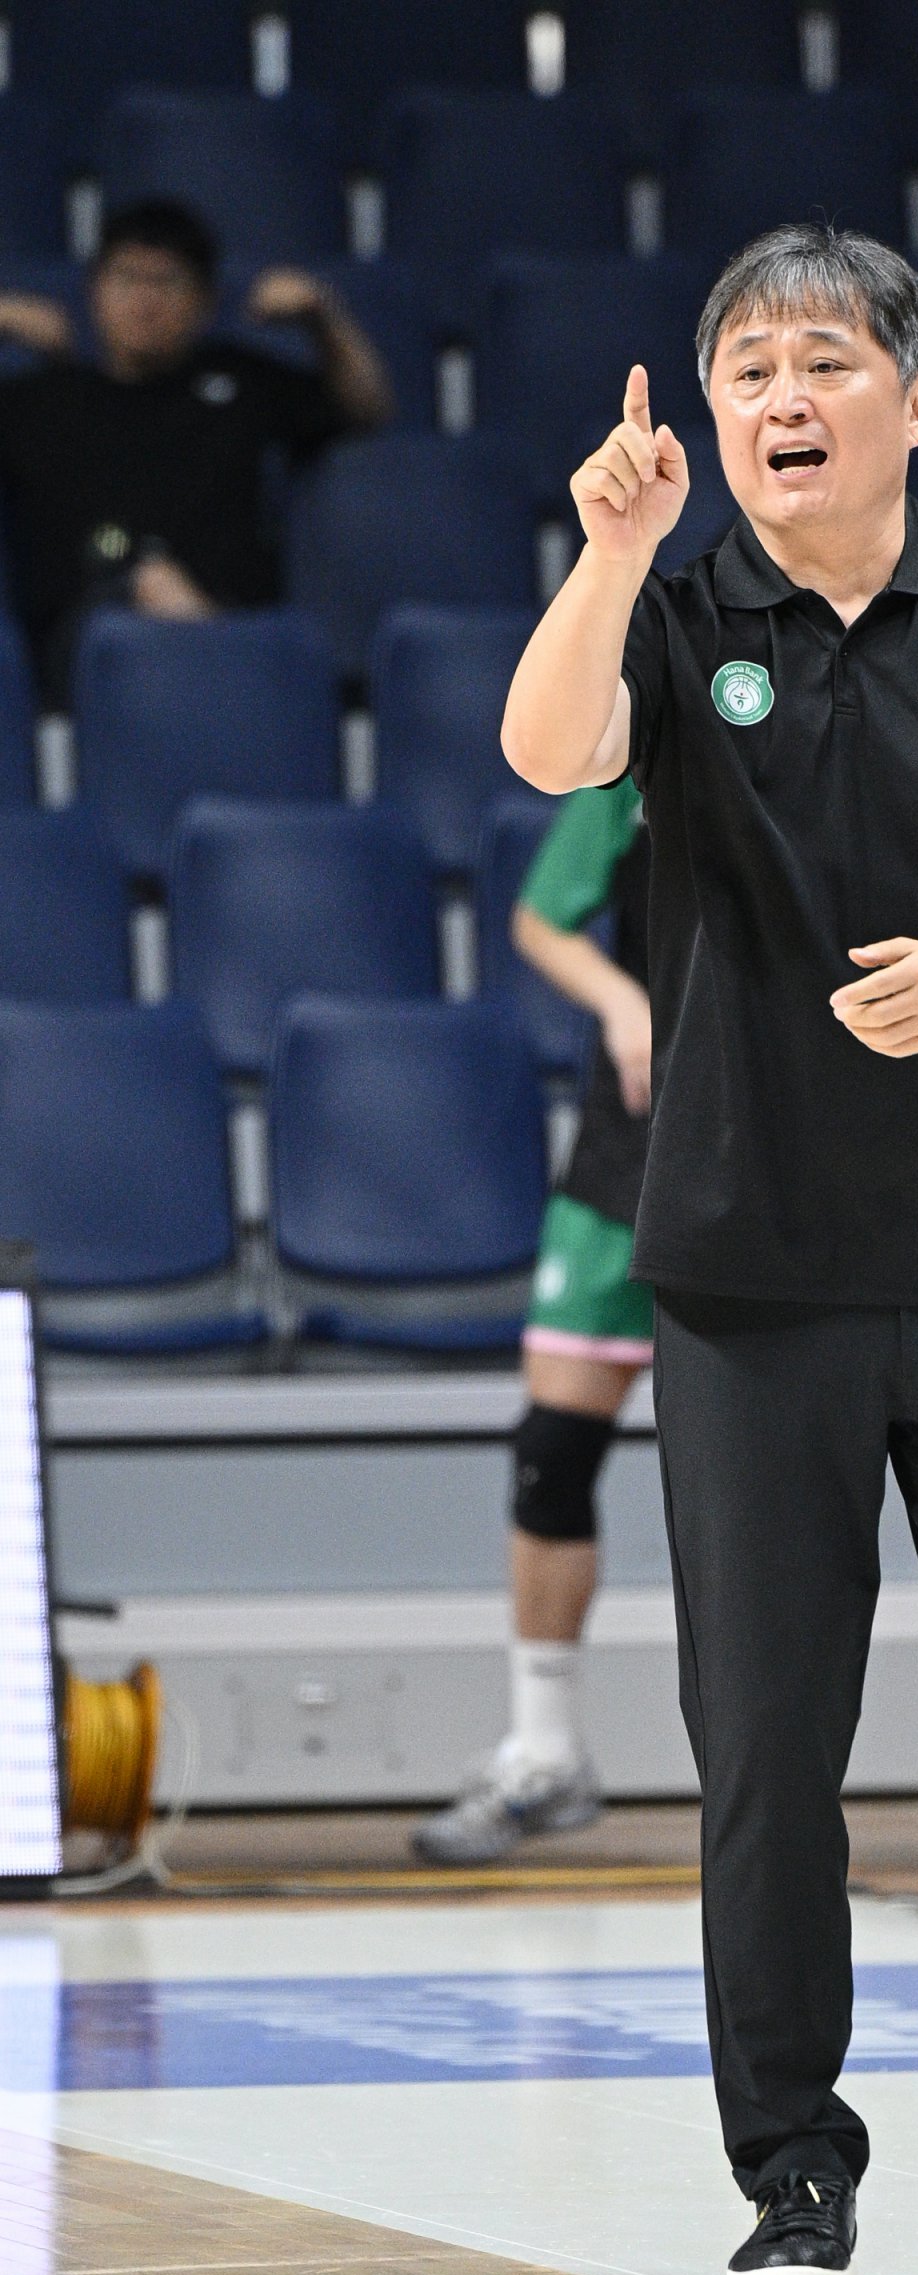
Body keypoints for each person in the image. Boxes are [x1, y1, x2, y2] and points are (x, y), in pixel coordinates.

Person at [500, 224, 918, 2275]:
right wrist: (612, 555)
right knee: (764, 1747)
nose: (779, 399)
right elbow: (548, 755)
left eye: (820, 360)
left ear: (914, 395)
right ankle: (792, 2171)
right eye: (745, 372)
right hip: (747, 1276)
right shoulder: (673, 611)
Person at [414, 777, 652, 1866]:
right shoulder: (637, 749)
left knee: (777, 1473)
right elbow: (541, 919)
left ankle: (783, 1786)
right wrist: (621, 999)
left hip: (787, 1147)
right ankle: (547, 1753)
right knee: (550, 1453)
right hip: (630, 1140)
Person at [0, 197, 391, 705]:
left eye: (166, 282)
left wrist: (322, 318)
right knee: (150, 580)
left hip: (233, 616)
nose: (144, 300)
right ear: (94, 291)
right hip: (85, 647)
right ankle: (247, 682)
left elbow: (367, 410)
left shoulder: (240, 379)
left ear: (205, 303)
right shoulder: (38, 399)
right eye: (126, 278)